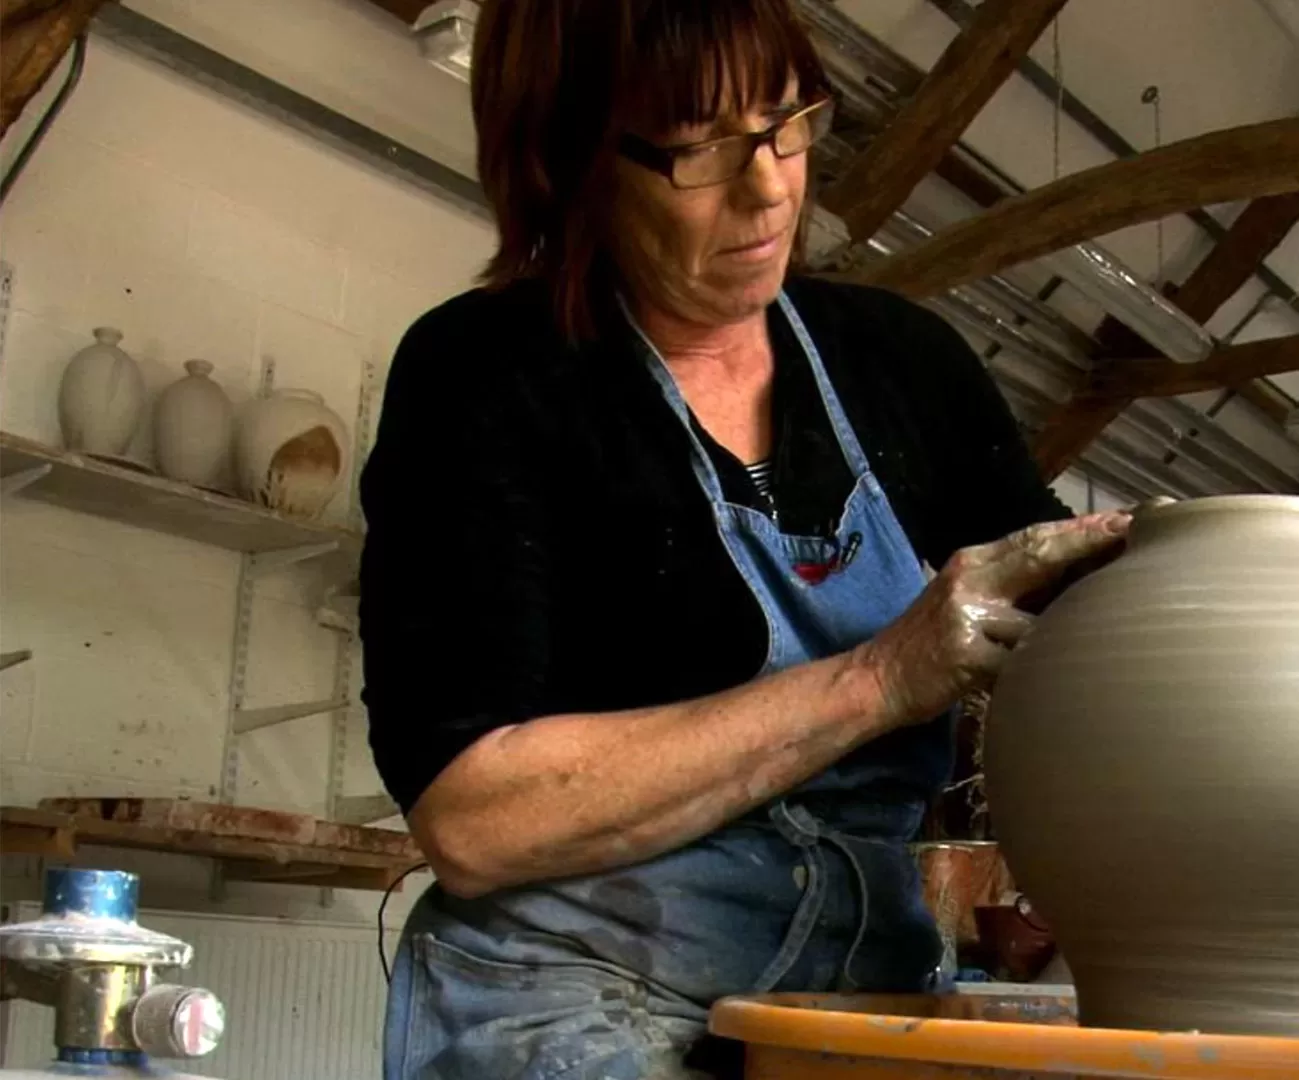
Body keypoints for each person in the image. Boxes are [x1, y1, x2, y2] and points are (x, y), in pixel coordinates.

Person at [356, 1, 1132, 1076]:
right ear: (572, 160)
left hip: (859, 993)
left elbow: (1087, 625)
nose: (767, 184)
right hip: (576, 997)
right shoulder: (488, 376)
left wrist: (1181, 574)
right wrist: (880, 677)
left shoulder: (904, 365)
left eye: (784, 123)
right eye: (696, 150)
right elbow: (475, 820)